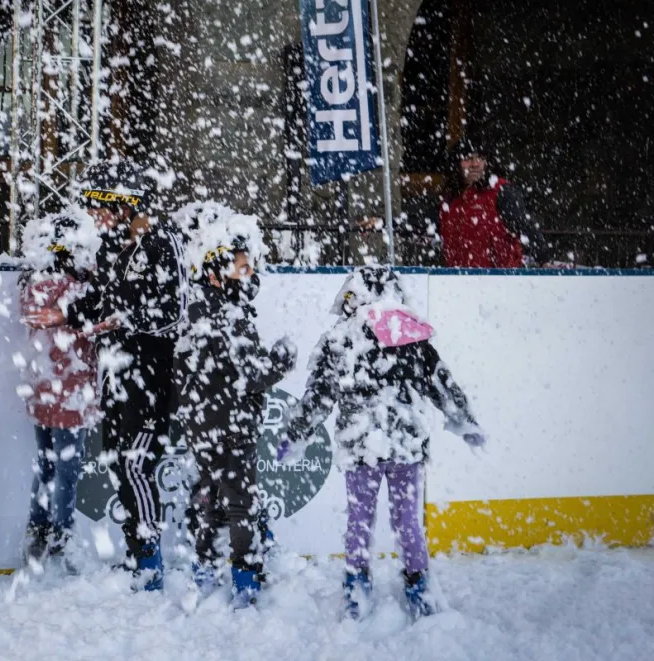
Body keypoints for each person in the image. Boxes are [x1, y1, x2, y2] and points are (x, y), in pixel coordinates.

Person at [277, 266, 485, 619]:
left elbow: (319, 398)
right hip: (405, 445)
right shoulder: (412, 337)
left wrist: (295, 433)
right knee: (408, 521)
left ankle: (357, 585)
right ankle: (418, 584)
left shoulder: (340, 340)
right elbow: (441, 385)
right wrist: (465, 420)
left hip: (362, 447)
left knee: (360, 519)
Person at [23, 160, 187, 592]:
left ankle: (150, 560)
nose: (94, 215)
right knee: (118, 463)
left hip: (150, 375)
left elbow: (172, 312)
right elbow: (101, 297)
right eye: (92, 206)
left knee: (136, 466)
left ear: (125, 204)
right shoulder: (114, 245)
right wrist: (67, 312)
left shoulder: (161, 242)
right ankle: (137, 556)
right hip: (115, 373)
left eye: (100, 205)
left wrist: (117, 320)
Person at [176, 232, 296, 610]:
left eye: (251, 266)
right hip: (232, 426)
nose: (251, 273)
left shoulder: (196, 309)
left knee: (210, 498)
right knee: (241, 504)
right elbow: (251, 375)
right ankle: (244, 577)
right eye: (243, 267)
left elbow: (186, 374)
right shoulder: (230, 315)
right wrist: (282, 360)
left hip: (203, 425)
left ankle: (206, 567)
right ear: (217, 274)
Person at [18, 211, 101, 572]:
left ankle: (40, 528)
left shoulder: (36, 284)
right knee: (64, 467)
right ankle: (59, 531)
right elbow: (93, 325)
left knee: (49, 464)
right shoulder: (78, 287)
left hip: (48, 387)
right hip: (68, 388)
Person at [439, 136, 551, 268]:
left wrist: (544, 260)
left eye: (480, 158)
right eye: (468, 159)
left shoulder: (501, 191)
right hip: (457, 280)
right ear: (457, 163)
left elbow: (526, 226)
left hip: (499, 280)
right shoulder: (450, 198)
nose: (475, 164)